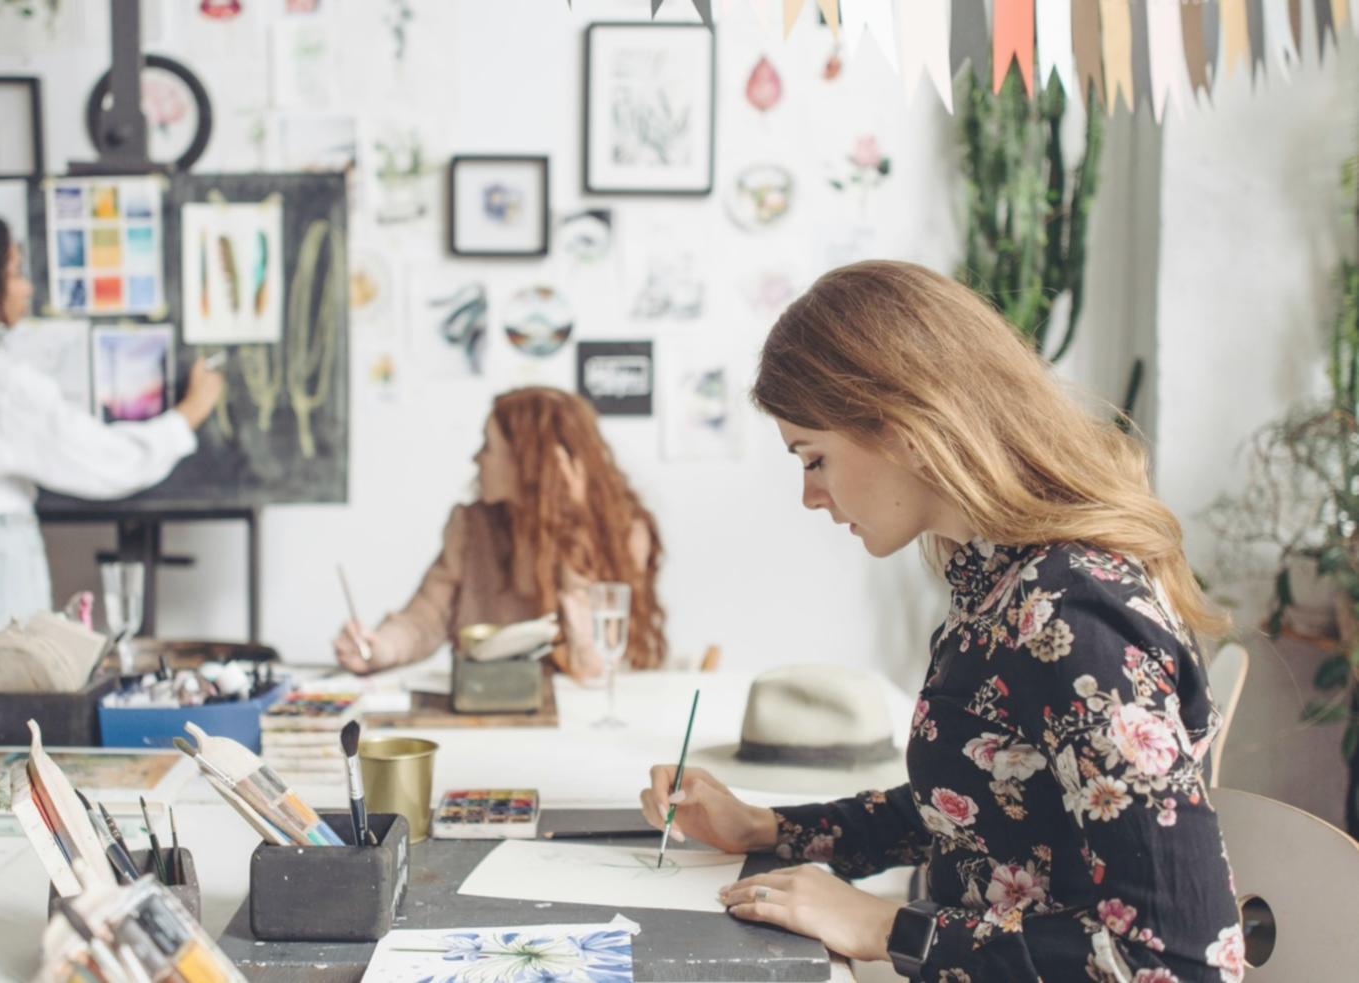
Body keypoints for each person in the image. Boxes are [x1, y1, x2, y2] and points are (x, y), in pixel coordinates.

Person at [640, 261, 1243, 981]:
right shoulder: (994, 583)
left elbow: (1178, 959)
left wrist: (888, 925)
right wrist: (771, 829)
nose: (811, 496)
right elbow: (980, 802)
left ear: (902, 428)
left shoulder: (1073, 616)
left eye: (815, 458)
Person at [0, 208, 224, 669]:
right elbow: (108, 464)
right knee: (15, 722)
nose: (26, 287)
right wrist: (189, 413)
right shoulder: (0, 384)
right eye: (14, 272)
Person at [333, 387, 665, 680]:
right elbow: (425, 618)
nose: (477, 458)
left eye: (489, 445)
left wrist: (574, 526)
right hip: (491, 705)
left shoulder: (623, 532)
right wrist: (379, 649)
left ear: (530, 463)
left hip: (578, 711)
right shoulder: (472, 526)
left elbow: (595, 660)